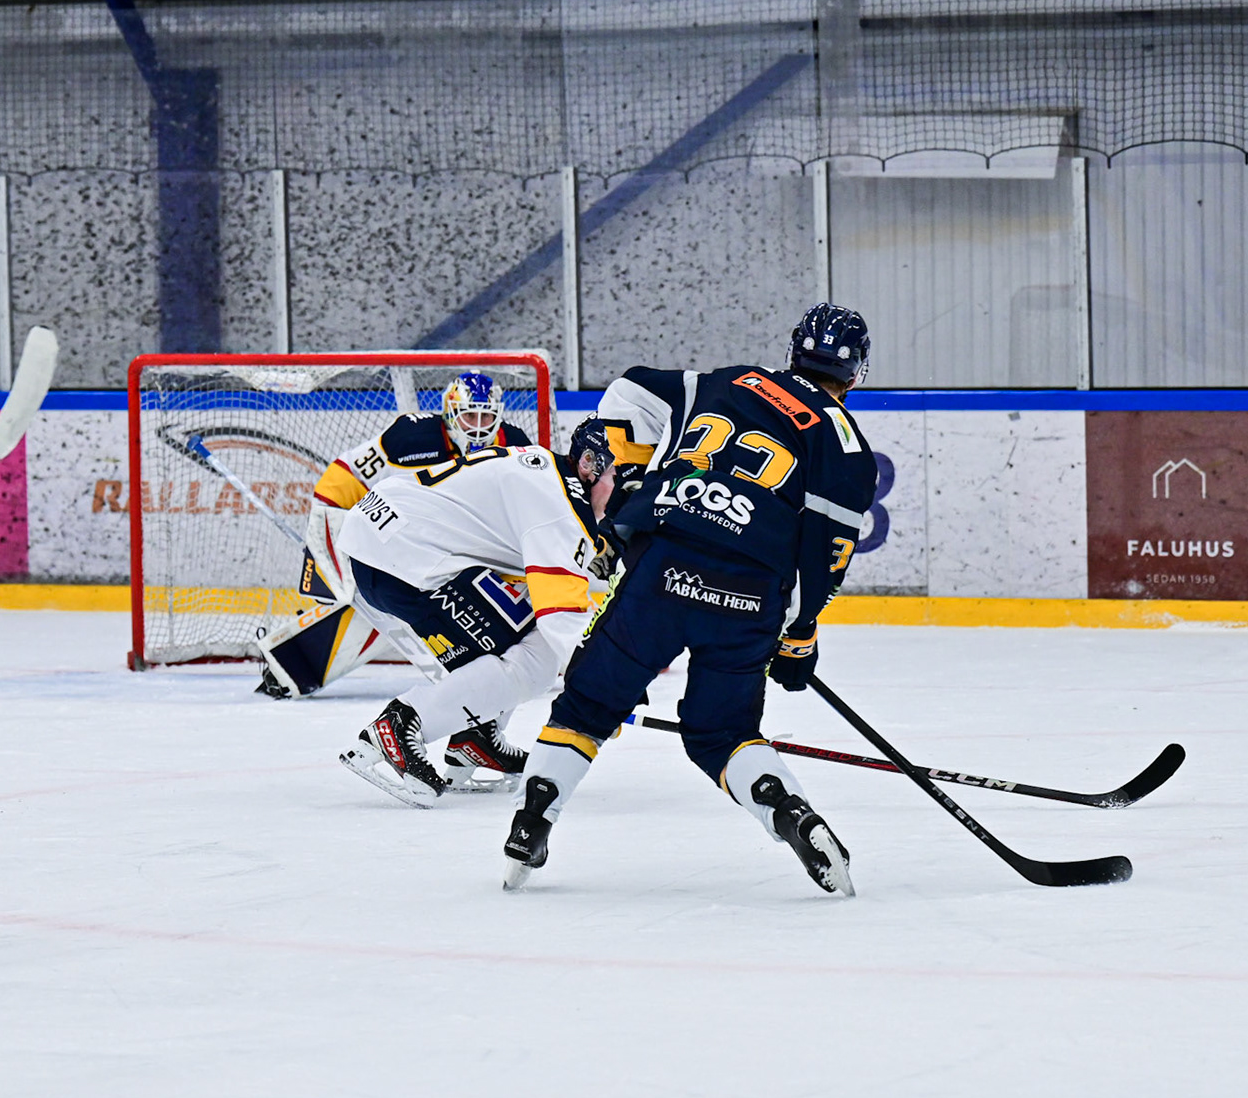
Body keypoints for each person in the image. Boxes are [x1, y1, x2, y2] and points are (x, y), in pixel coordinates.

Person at [502, 303, 879, 896]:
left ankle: (532, 822)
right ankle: (792, 815)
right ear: (856, 371)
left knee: (586, 707)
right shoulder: (848, 446)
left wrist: (628, 479)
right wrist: (800, 635)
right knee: (722, 733)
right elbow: (824, 557)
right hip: (749, 594)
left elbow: (626, 391)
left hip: (662, 567)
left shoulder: (728, 380)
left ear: (793, 350)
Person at [335, 419, 619, 807]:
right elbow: (561, 618)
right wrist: (603, 691)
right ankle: (397, 727)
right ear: (589, 465)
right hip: (400, 557)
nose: (620, 490)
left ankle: (476, 734)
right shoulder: (563, 510)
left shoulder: (547, 469)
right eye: (616, 477)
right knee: (537, 658)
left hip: (388, 540)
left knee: (523, 624)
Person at [257, 371, 533, 700]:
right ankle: (292, 666)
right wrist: (327, 535)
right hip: (414, 543)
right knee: (386, 594)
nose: (477, 426)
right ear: (450, 414)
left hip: (470, 544)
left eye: (485, 416)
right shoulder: (411, 438)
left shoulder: (515, 445)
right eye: (469, 416)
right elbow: (345, 477)